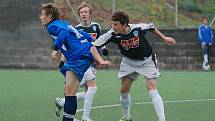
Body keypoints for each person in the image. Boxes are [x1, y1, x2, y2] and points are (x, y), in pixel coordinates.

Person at [93, 10, 176, 121]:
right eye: (112, 24)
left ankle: (162, 119)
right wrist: (100, 60)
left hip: (147, 61)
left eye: (116, 24)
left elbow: (151, 27)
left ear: (124, 24)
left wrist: (164, 38)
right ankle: (126, 117)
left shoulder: (138, 28)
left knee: (151, 87)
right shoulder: (111, 34)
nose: (113, 27)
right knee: (123, 91)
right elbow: (93, 47)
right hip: (129, 62)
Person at [40, 3, 110, 121]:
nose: (41, 17)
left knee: (71, 93)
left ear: (50, 16)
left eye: (42, 14)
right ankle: (68, 113)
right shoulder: (64, 23)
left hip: (77, 58)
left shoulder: (52, 26)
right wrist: (95, 57)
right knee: (68, 91)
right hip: (82, 56)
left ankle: (71, 118)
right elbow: (87, 37)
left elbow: (63, 33)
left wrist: (55, 49)